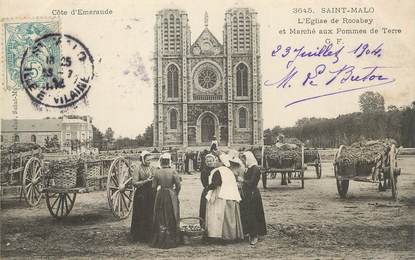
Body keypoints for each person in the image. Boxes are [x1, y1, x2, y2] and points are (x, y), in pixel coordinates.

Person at [205, 153, 244, 242]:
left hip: (220, 194)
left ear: (221, 162)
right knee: (229, 216)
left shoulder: (218, 171)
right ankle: (231, 235)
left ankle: (218, 235)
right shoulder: (228, 171)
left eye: (217, 160)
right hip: (230, 195)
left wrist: (208, 188)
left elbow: (215, 184)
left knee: (217, 215)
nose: (216, 162)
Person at [151, 153, 182, 249]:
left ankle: (160, 240)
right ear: (169, 161)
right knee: (172, 215)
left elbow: (153, 187)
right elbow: (178, 185)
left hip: (160, 194)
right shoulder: (173, 171)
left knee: (160, 216)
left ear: (161, 161)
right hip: (171, 194)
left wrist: (158, 192)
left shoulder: (157, 172)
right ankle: (171, 239)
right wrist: (175, 193)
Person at [240, 151, 267, 245]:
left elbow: (252, 183)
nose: (242, 161)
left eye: (243, 159)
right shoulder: (249, 168)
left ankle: (254, 235)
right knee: (246, 212)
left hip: (252, 194)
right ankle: (248, 232)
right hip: (247, 193)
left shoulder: (255, 169)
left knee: (253, 214)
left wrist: (242, 180)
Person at [130, 151, 155, 243]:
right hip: (141, 194)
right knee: (140, 214)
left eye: (150, 160)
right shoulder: (137, 168)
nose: (149, 162)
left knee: (150, 213)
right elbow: (134, 183)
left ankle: (149, 236)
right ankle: (139, 236)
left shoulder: (152, 168)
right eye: (147, 160)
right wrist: (146, 181)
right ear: (143, 159)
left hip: (151, 193)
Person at [199, 153, 217, 226]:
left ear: (213, 161)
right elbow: (204, 183)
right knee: (205, 207)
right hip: (207, 190)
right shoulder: (204, 171)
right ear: (206, 162)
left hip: (215, 190)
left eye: (211, 161)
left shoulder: (216, 170)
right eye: (208, 161)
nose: (209, 162)